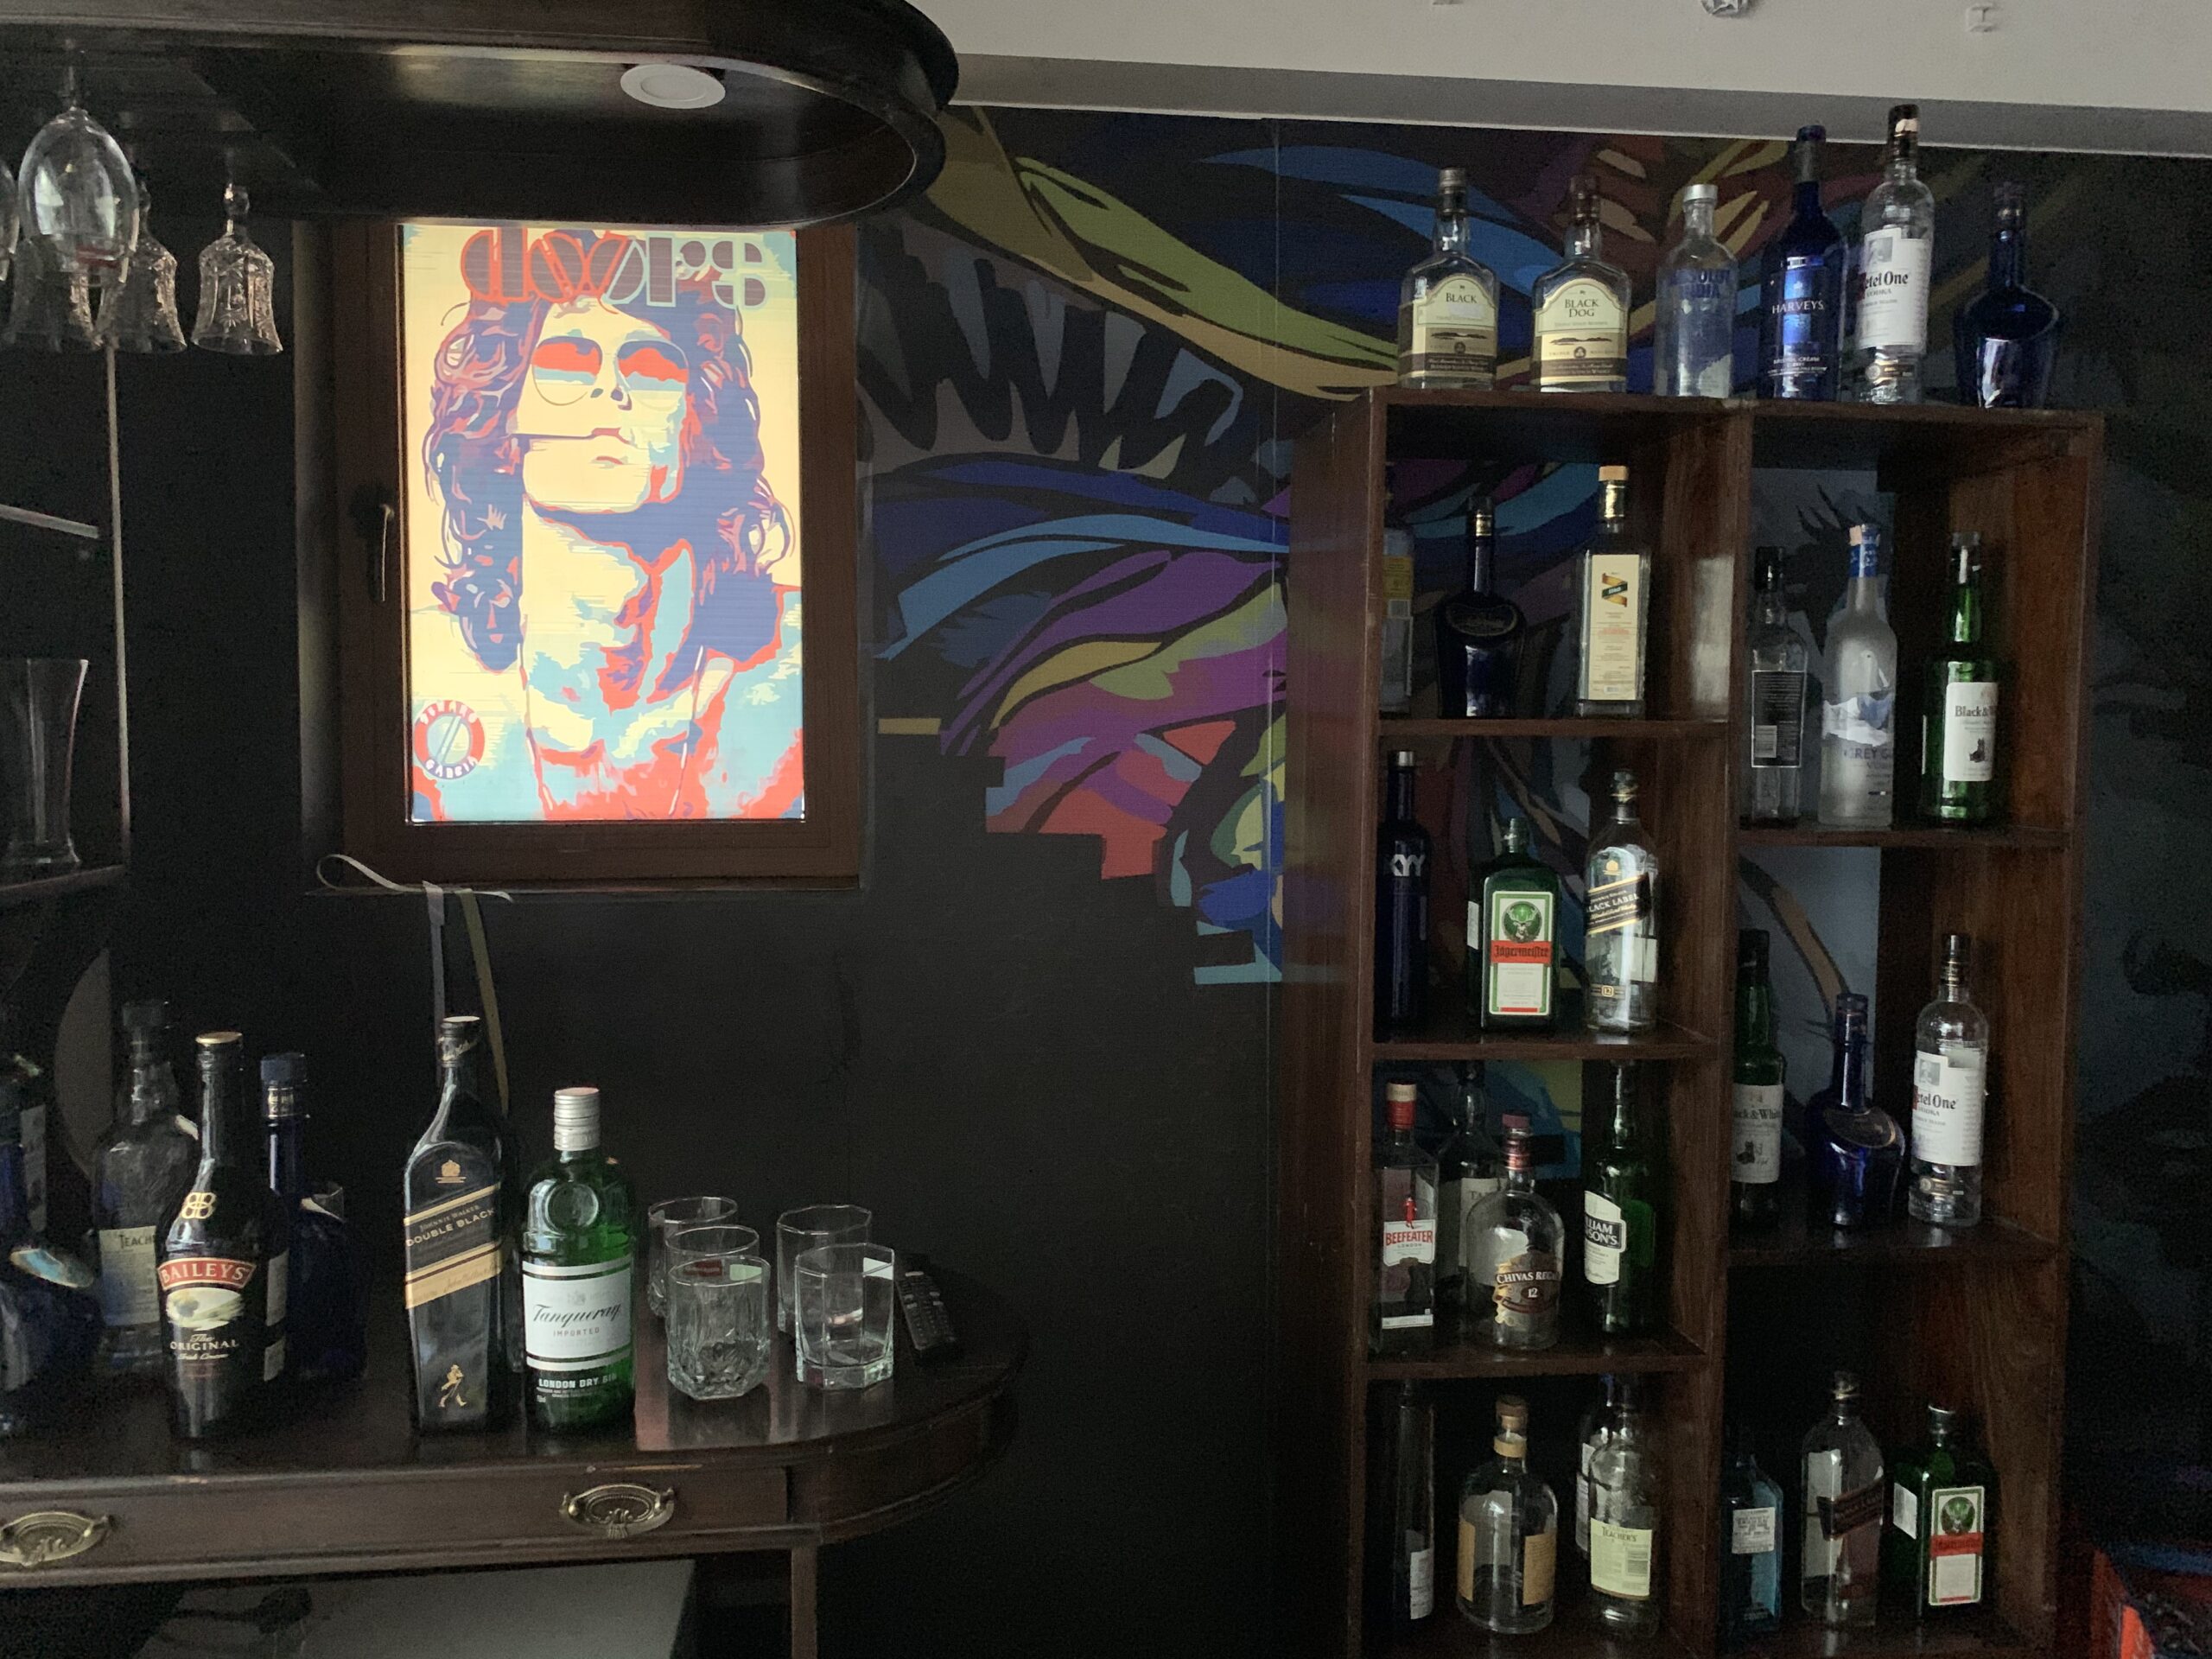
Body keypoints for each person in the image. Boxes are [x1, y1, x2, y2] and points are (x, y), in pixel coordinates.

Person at [413, 232, 803, 821]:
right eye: (566, 363)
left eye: (650, 366)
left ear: (698, 417)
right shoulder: (423, 670)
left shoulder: (794, 657)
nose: (611, 389)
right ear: (503, 417)